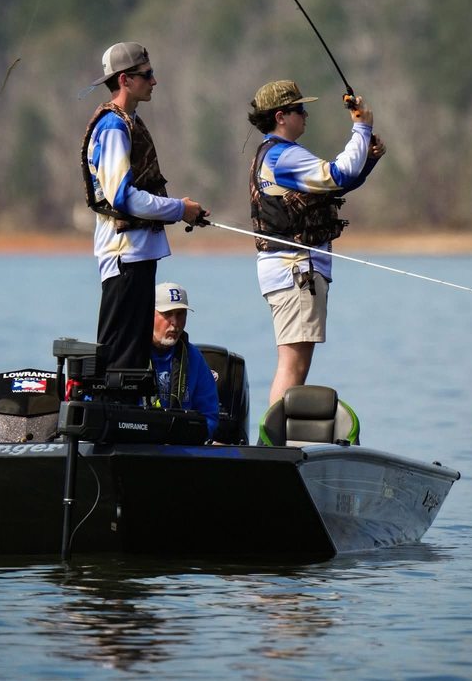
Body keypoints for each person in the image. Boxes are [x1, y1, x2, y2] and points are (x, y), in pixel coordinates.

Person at [248, 80, 385, 406]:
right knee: (293, 366)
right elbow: (338, 174)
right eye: (299, 109)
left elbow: (332, 186)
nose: (305, 114)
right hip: (296, 272)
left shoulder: (274, 154)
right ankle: (273, 435)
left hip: (291, 272)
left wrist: (368, 160)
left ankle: (276, 432)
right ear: (281, 116)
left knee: (295, 365)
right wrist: (362, 127)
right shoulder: (283, 156)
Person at [82, 41, 208, 369]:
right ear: (125, 80)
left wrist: (180, 210)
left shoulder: (128, 121)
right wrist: (179, 209)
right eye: (147, 74)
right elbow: (122, 197)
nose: (154, 81)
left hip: (136, 254)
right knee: (120, 359)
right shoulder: (113, 127)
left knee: (134, 357)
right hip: (124, 255)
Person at [150, 281, 221, 439]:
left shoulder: (194, 358)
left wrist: (190, 435)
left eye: (180, 314)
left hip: (181, 445)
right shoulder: (131, 355)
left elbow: (210, 416)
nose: (175, 323)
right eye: (167, 314)